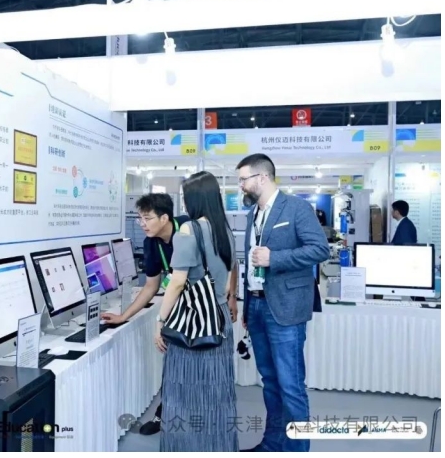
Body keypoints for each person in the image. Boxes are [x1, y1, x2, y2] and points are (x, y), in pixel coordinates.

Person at [102, 192, 238, 435]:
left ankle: (206, 421)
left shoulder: (190, 228)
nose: (142, 224)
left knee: (206, 367)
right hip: (180, 309)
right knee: (175, 368)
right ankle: (166, 413)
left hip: (207, 307)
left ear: (164, 218)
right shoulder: (151, 243)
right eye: (140, 219)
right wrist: (124, 316)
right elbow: (151, 286)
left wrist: (231, 296)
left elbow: (229, 260)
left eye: (147, 218)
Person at [236, 154, 329, 452]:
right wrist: (248, 307)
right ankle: (273, 444)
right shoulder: (253, 214)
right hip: (257, 306)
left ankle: (297, 450)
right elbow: (250, 263)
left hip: (286, 309)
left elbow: (320, 250)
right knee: (271, 383)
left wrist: (274, 258)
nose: (241, 185)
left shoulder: (296, 208)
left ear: (262, 177)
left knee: (291, 386)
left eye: (244, 179)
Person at [153, 171, 238, 452]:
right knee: (217, 393)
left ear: (193, 199)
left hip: (194, 321)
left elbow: (178, 282)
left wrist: (160, 320)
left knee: (185, 393)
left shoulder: (188, 230)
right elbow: (231, 271)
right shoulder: (224, 230)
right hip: (219, 319)